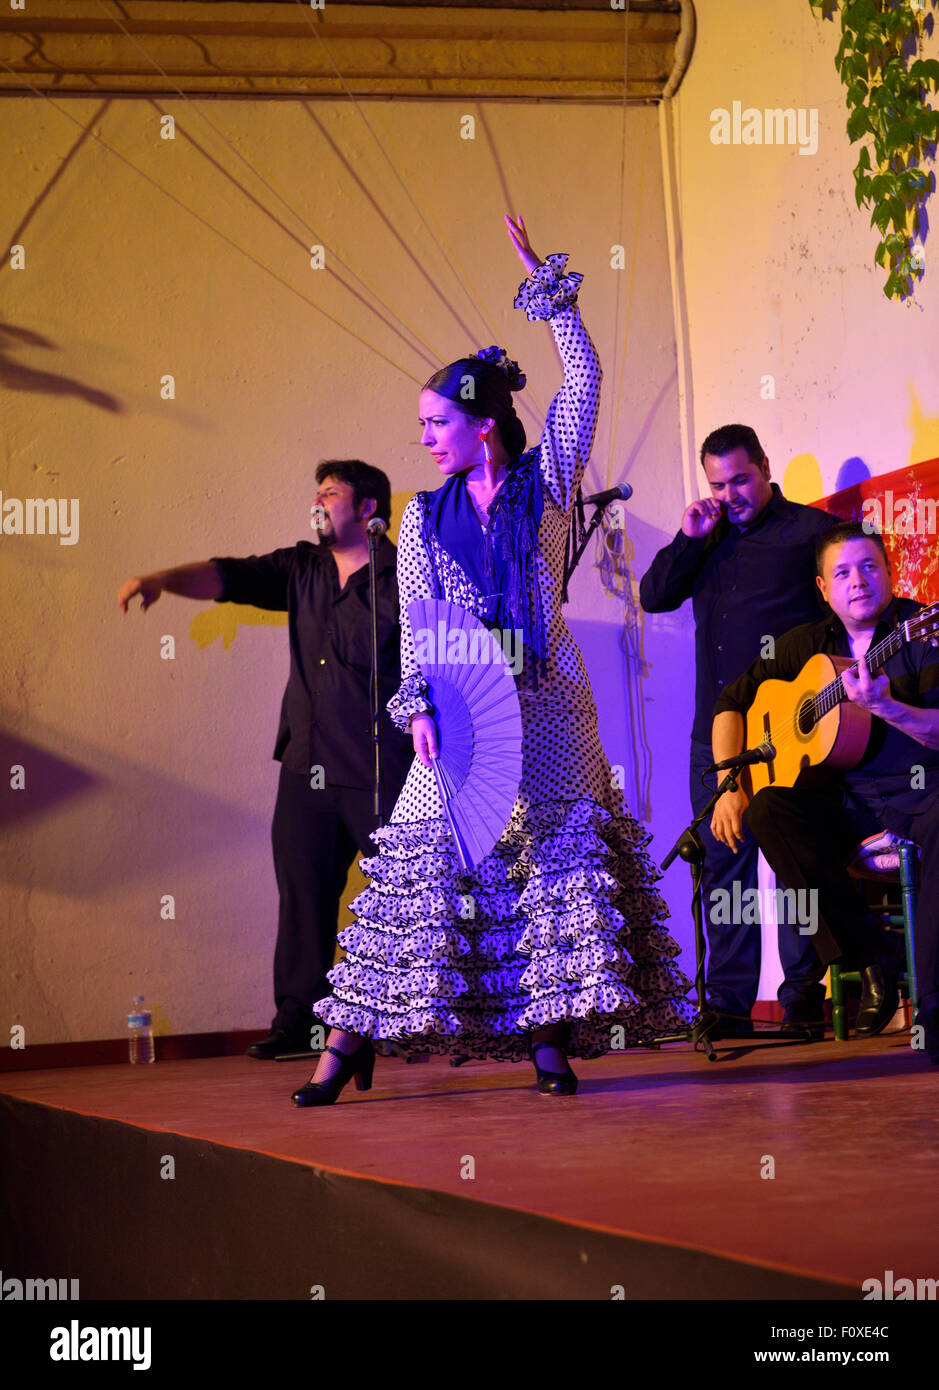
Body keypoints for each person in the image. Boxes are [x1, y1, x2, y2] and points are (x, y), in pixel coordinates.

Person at [290, 214, 694, 1106]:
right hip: (465, 709)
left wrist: (549, 294)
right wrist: (421, 709)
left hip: (548, 702)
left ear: (482, 424)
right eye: (422, 425)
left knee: (548, 867)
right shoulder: (426, 521)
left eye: (438, 422)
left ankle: (549, 1046)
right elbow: (423, 629)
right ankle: (344, 1042)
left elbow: (581, 378)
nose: (426, 439)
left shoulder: (547, 481)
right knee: (420, 863)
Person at [118, 460, 413, 1058]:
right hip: (307, 767)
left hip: (384, 768)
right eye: (317, 492)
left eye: (331, 493)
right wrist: (160, 580)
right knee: (303, 895)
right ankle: (299, 1026)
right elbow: (227, 577)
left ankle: (407, 1023)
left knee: (407, 900)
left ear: (367, 509)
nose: (318, 501)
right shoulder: (299, 568)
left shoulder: (405, 577)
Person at [715, 521, 939, 1059]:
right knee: (770, 808)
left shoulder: (919, 632)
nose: (858, 580)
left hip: (924, 795)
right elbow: (732, 702)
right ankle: (870, 955)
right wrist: (729, 783)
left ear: (889, 573)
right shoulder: (808, 646)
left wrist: (885, 706)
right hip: (851, 805)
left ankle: (932, 1009)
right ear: (823, 588)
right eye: (842, 572)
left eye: (869, 567)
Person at [639, 426, 836, 1039]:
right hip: (717, 729)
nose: (730, 495)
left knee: (793, 861)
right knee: (726, 866)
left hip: (789, 728)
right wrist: (687, 538)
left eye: (740, 480)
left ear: (766, 468)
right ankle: (727, 1003)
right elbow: (653, 596)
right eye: (717, 484)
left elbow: (840, 625)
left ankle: (802, 997)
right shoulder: (707, 535)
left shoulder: (810, 532)